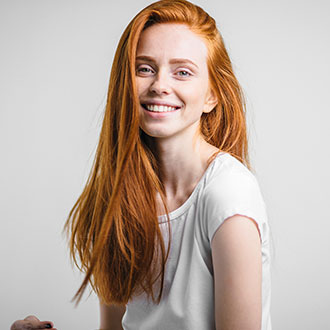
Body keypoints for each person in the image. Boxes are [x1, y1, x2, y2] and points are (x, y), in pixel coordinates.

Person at [11, 0, 272, 329]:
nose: (160, 84)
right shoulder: (121, 196)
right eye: (145, 68)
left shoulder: (227, 195)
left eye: (183, 72)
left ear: (212, 96)